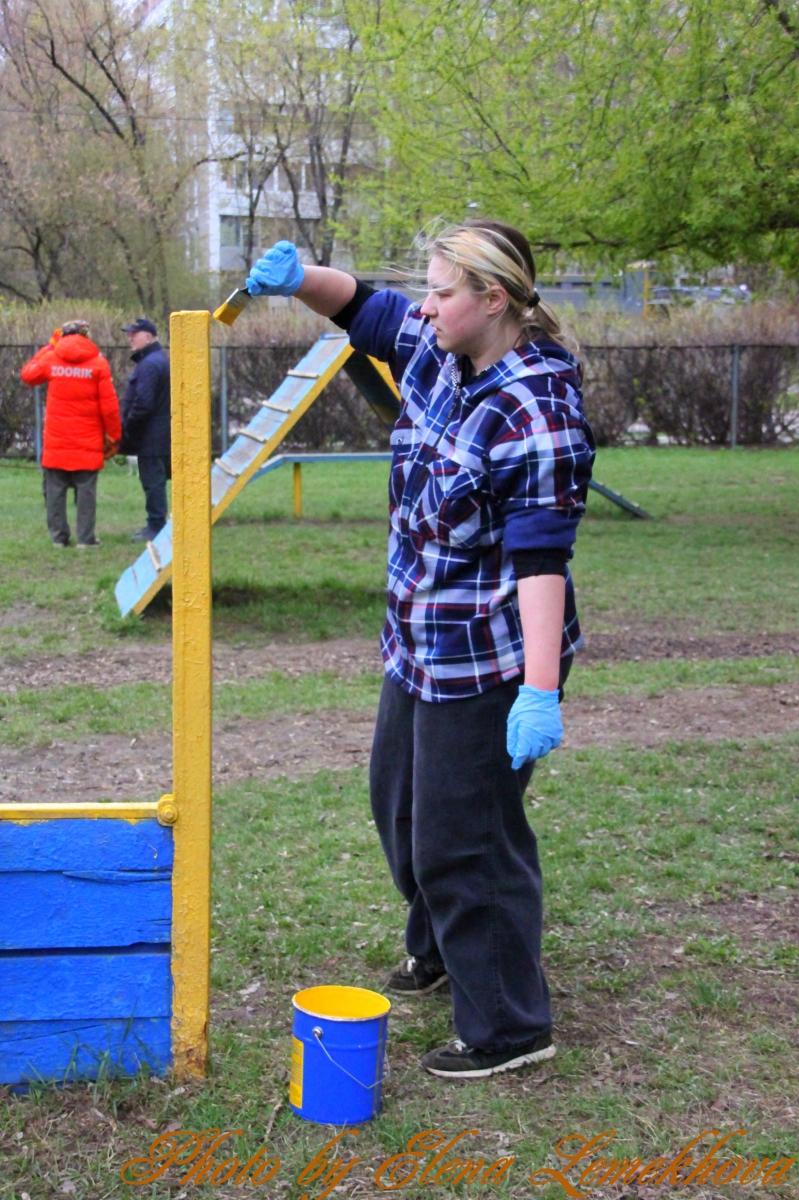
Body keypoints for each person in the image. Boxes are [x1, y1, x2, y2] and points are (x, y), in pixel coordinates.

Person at [246, 224, 595, 1079]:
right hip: (419, 640)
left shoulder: (534, 409)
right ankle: (441, 944)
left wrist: (538, 690)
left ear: (494, 299)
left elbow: (541, 563)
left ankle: (509, 1024)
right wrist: (300, 278)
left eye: (442, 291)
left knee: (466, 838)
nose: (426, 306)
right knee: (399, 808)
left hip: (491, 659)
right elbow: (365, 311)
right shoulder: (442, 353)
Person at [20, 320, 121, 548]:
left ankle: (59, 538)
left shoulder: (51, 359)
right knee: (86, 494)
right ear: (86, 336)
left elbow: (27, 375)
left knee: (55, 492)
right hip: (88, 442)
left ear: (62, 336)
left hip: (56, 441)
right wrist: (114, 436)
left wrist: (48, 347)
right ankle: (85, 539)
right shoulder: (99, 364)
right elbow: (110, 406)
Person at [120, 318, 171, 542]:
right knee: (155, 480)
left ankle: (156, 526)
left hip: (151, 435)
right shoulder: (157, 359)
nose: (130, 338)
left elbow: (143, 404)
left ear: (148, 337)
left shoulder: (149, 364)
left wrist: (129, 428)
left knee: (153, 483)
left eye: (135, 334)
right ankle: (156, 524)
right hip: (160, 432)